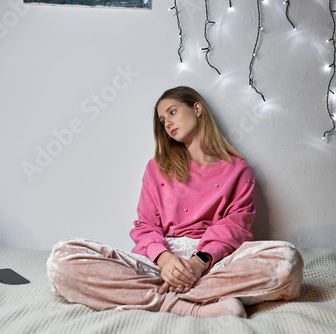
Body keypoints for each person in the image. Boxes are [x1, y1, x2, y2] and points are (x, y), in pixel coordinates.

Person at [47, 86, 303, 318]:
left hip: (214, 261)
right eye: (162, 120)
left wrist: (197, 264)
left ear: (197, 108)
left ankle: (151, 296)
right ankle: (190, 307)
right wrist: (167, 261)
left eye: (172, 112)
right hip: (159, 260)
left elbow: (235, 227)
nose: (167, 122)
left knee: (287, 262)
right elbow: (145, 226)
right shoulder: (157, 167)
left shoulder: (238, 170)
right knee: (62, 260)